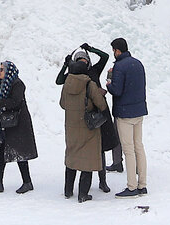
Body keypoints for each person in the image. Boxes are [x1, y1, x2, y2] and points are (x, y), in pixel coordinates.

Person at [56, 43, 120, 192]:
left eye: (84, 60)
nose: (82, 63)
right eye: (79, 61)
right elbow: (59, 80)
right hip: (88, 115)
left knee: (101, 148)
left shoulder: (93, 70)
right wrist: (66, 65)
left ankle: (102, 181)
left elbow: (104, 57)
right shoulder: (74, 75)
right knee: (92, 149)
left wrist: (90, 49)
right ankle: (95, 182)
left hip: (99, 114)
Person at [0, 60, 37, 194]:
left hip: (18, 124)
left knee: (19, 154)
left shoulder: (18, 84)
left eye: (1, 70)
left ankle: (27, 182)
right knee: (1, 154)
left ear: (8, 71)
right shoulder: (4, 84)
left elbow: (14, 102)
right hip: (6, 124)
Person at [107, 37, 147, 197]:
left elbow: (117, 90)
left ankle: (132, 187)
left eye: (114, 51)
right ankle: (142, 185)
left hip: (125, 114)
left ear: (117, 50)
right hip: (139, 111)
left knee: (128, 150)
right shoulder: (138, 63)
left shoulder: (119, 67)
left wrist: (109, 82)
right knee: (139, 147)